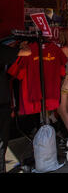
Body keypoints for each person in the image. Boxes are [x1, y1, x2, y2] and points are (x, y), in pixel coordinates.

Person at [0, 41, 31, 173]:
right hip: (1, 103)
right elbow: (27, 52)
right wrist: (23, 44)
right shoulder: (1, 49)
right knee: (1, 142)